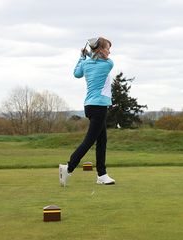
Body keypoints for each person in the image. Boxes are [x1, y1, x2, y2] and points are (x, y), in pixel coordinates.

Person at [59, 37, 115, 187]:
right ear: (101, 50)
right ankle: (68, 167)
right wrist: (89, 55)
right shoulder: (108, 64)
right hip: (99, 107)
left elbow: (77, 74)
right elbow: (101, 60)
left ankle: (102, 175)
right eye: (108, 48)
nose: (109, 52)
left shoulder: (85, 62)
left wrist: (82, 56)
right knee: (89, 141)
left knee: (102, 141)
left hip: (89, 106)